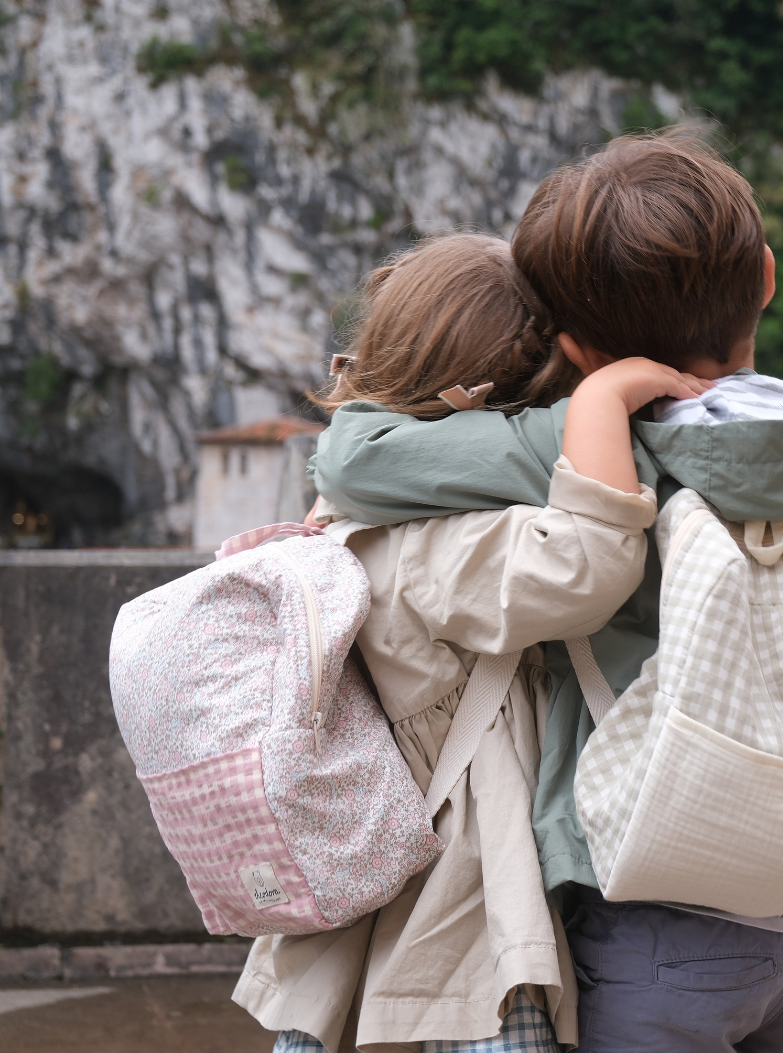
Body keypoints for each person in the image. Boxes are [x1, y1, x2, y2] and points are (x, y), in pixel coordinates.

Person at [311, 130, 783, 1052]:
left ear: (574, 348)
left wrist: (592, 402)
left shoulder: (592, 441)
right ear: (770, 279)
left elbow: (356, 460)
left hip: (657, 913)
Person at [232, 231, 710, 1052]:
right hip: (460, 922)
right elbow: (591, 564)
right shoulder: (447, 548)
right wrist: (605, 402)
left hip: (356, 912)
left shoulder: (344, 524)